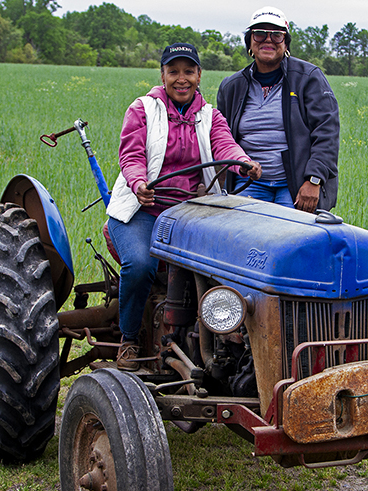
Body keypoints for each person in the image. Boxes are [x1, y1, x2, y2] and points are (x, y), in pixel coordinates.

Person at [106, 42, 261, 370]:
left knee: (239, 261)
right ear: (162, 75)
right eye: (173, 71)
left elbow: (225, 145)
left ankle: (232, 338)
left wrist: (242, 161)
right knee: (139, 265)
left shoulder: (209, 116)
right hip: (144, 210)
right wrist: (138, 184)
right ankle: (129, 339)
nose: (181, 78)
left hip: (193, 215)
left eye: (188, 71)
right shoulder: (143, 109)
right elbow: (131, 155)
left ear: (199, 75)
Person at [217, 6, 339, 213]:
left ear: (285, 43)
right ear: (250, 42)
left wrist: (314, 179)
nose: (268, 40)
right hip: (250, 182)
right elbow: (221, 137)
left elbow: (327, 133)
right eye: (260, 34)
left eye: (276, 35)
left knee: (292, 238)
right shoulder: (232, 87)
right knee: (244, 237)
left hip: (296, 183)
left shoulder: (308, 78)